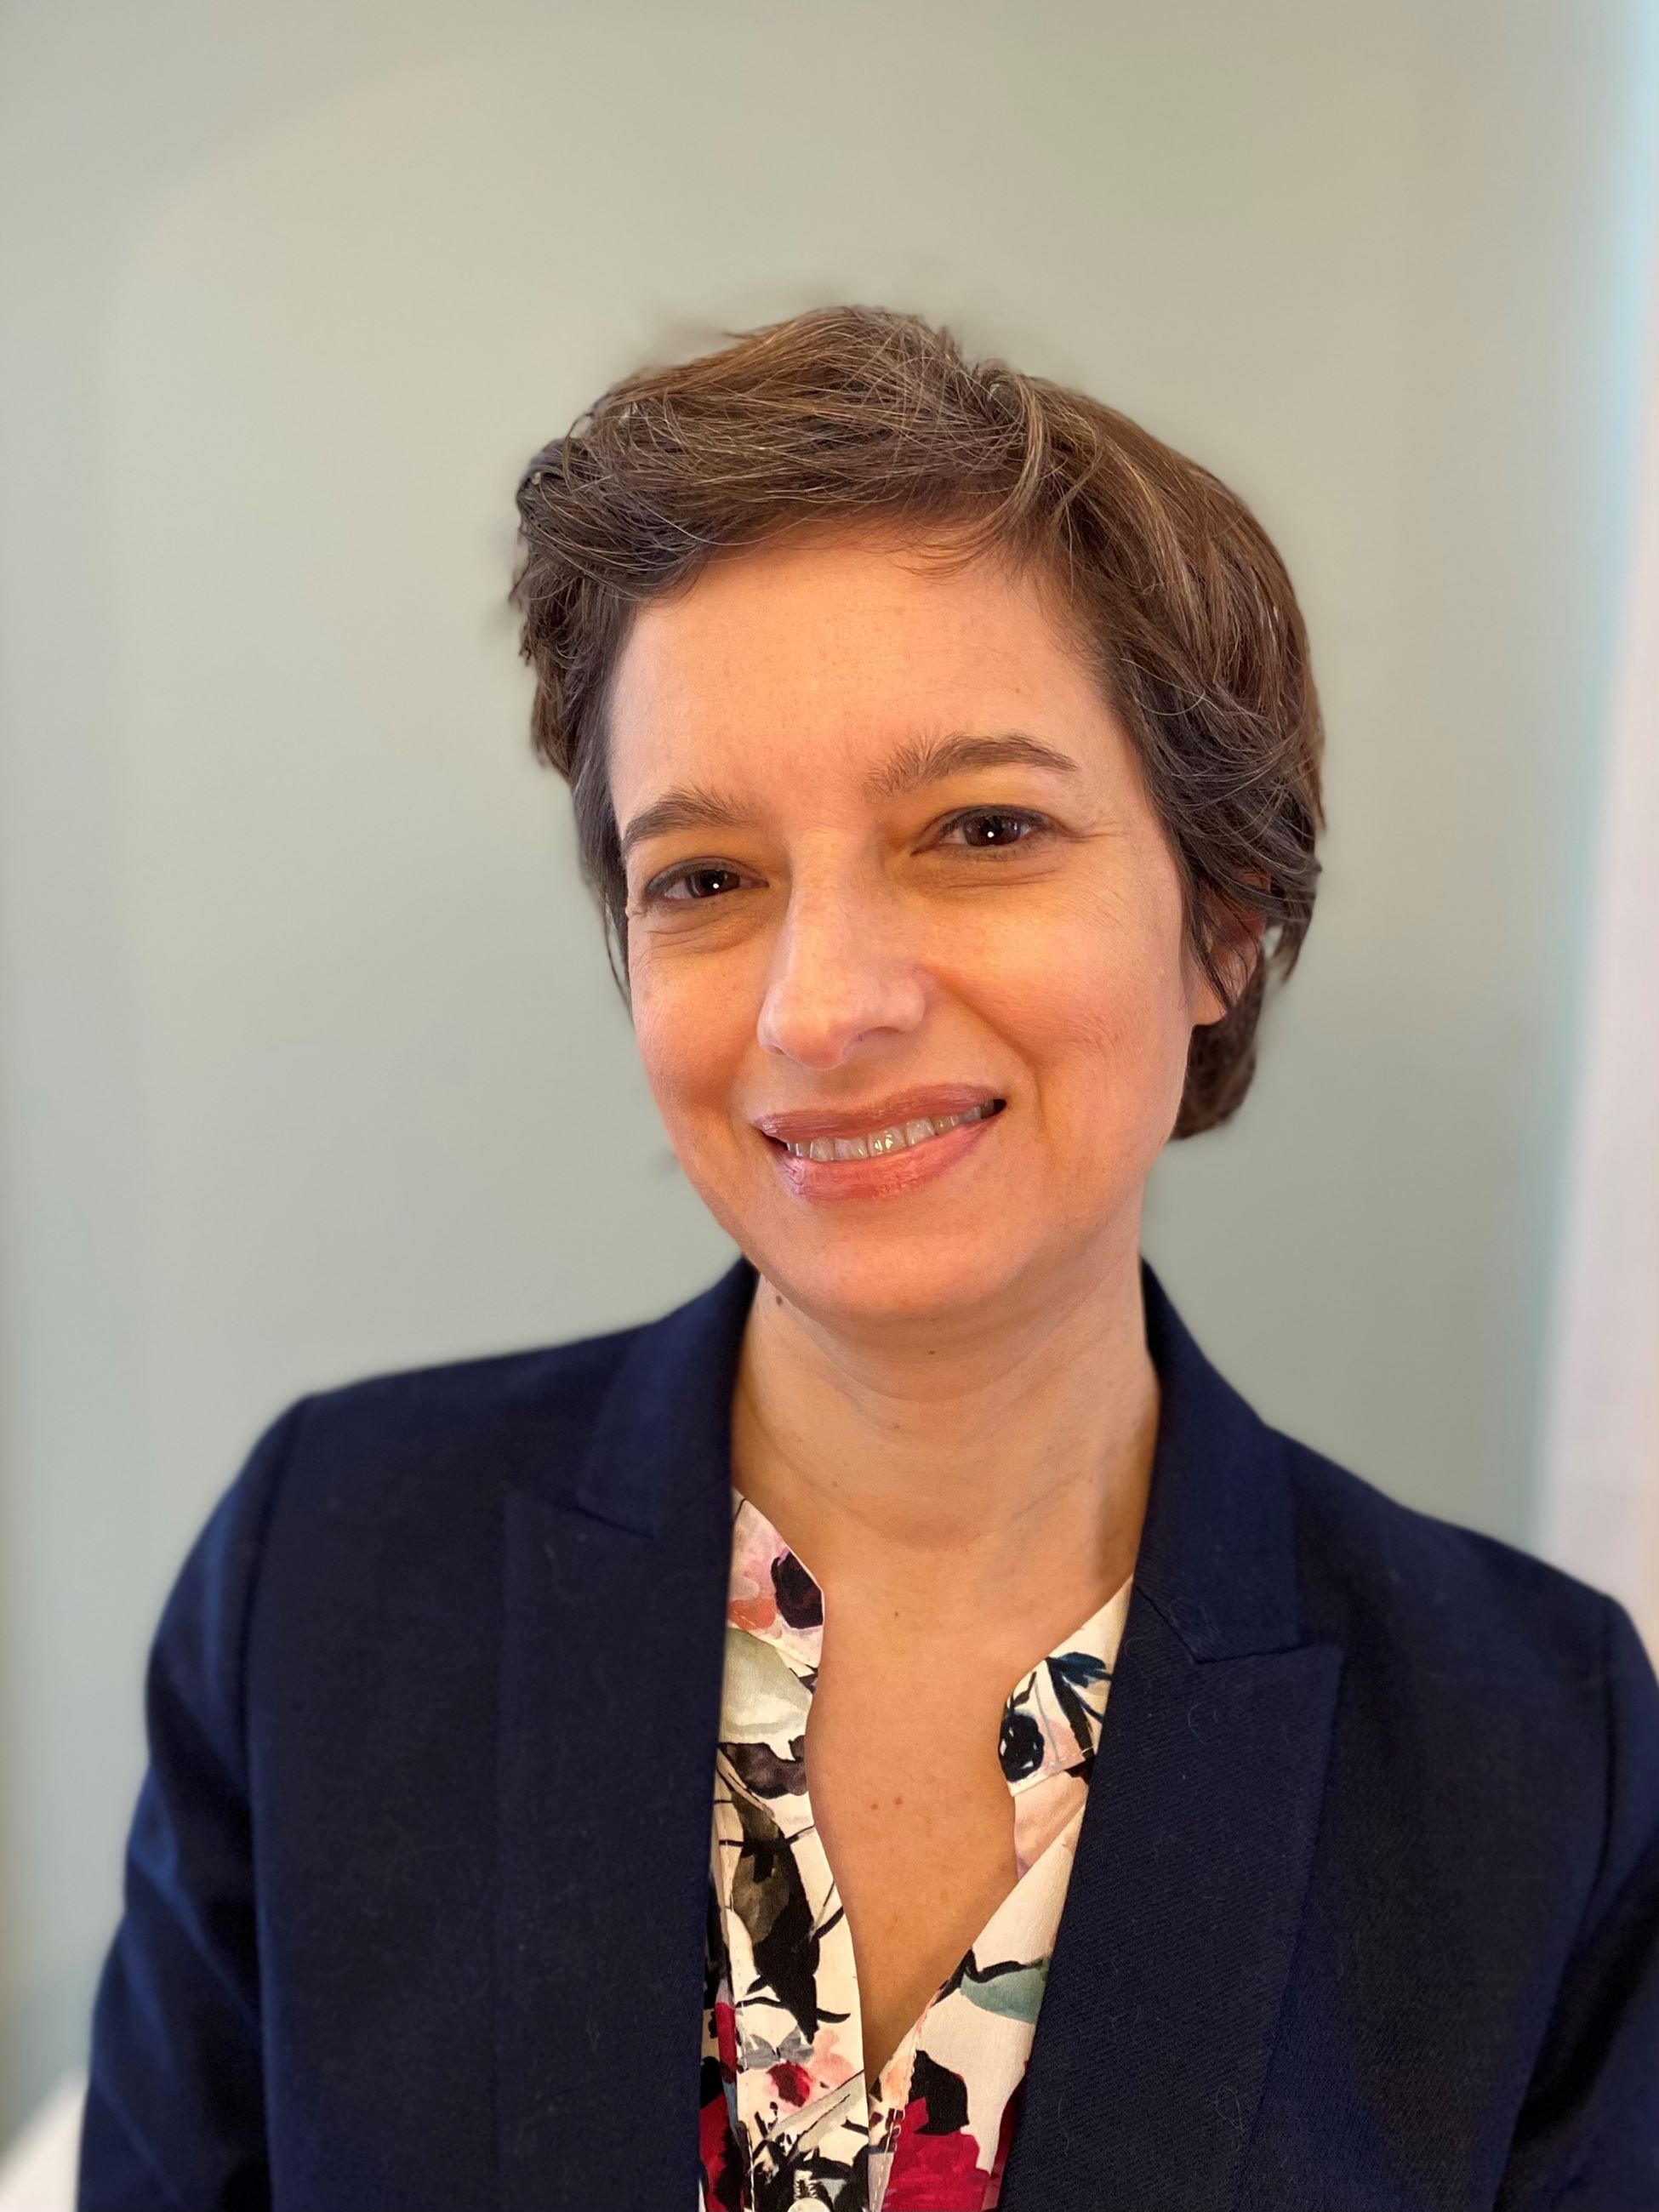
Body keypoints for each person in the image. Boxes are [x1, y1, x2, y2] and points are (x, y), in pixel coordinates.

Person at [78, 306, 1659, 2212]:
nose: (824, 1006)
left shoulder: (1530, 1756)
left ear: (1226, 919)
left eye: (981, 826)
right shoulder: (327, 1579)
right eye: (708, 877)